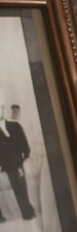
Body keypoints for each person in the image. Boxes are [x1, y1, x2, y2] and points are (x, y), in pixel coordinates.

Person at [0, 88, 35, 220]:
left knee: (17, 173)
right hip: (6, 165)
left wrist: (23, 160)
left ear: (4, 109)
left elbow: (25, 147)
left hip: (18, 162)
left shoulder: (15, 126)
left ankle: (27, 209)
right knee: (15, 173)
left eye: (0, 107)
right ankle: (27, 210)